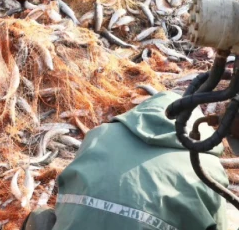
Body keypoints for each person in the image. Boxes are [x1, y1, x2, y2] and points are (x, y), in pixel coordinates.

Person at [22, 91, 228, 230]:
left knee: (42, 217)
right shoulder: (208, 167)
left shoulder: (99, 134)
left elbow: (68, 186)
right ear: (201, 129)